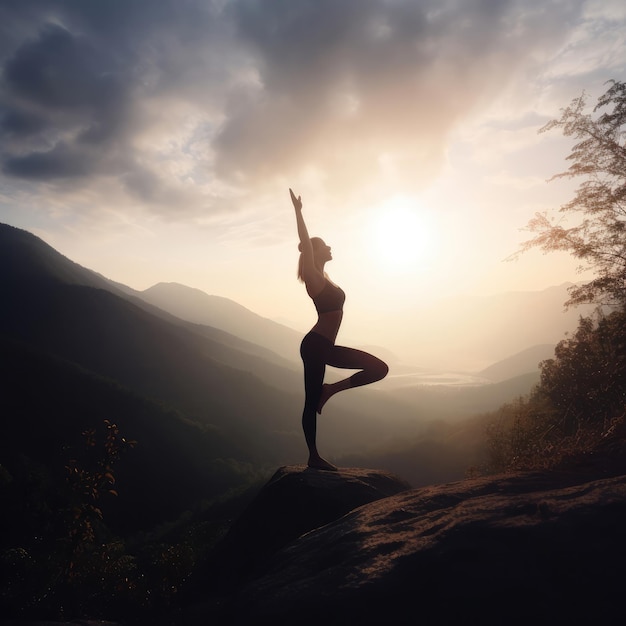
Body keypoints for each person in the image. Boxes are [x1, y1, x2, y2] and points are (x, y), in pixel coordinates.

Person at [291, 188, 388, 471]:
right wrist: (299, 211)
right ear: (316, 251)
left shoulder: (325, 276)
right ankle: (313, 457)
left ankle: (330, 389)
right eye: (326, 246)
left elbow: (309, 249)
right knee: (310, 402)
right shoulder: (312, 276)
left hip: (324, 346)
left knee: (378, 369)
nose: (331, 248)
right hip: (316, 346)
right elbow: (304, 245)